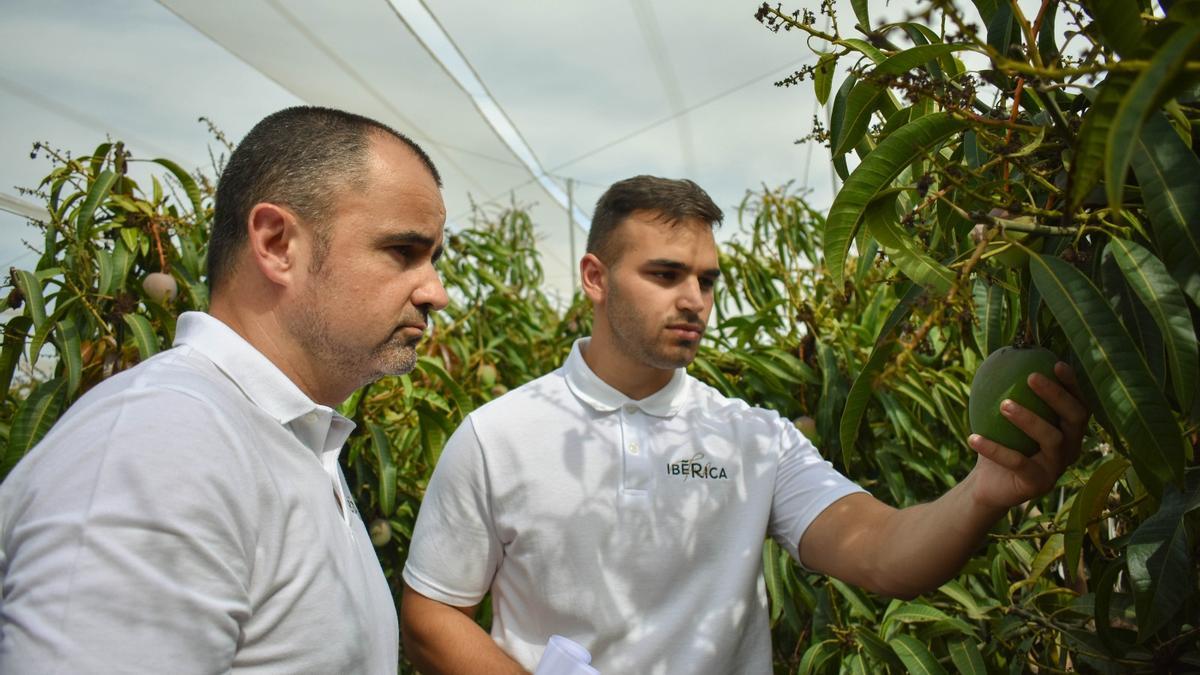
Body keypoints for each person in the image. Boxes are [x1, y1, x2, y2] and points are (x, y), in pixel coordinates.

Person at [400, 175, 1089, 674]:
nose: (694, 300)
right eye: (666, 274)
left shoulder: (752, 438)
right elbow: (432, 609)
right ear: (595, 277)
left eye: (707, 279)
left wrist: (982, 494)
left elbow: (879, 550)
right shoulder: (500, 433)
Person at [0, 106, 450, 672]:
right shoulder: (161, 446)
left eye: (432, 258)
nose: (436, 292)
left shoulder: (285, 437)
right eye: (402, 252)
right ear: (277, 243)